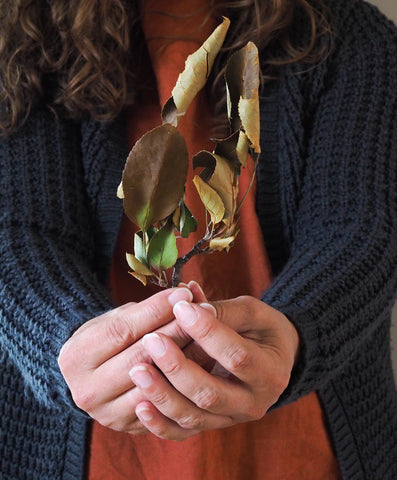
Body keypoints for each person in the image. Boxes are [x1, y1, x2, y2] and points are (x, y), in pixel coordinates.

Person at [1, 0, 396, 479]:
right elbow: (18, 232)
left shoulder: (348, 35)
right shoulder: (22, 33)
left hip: (303, 444)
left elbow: (362, 226)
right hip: (87, 449)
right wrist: (60, 341)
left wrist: (299, 332)